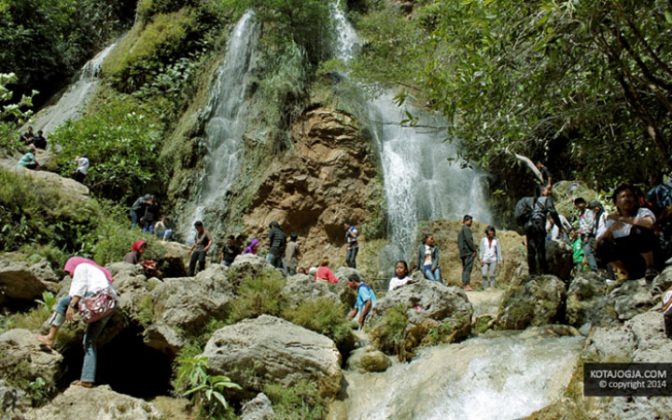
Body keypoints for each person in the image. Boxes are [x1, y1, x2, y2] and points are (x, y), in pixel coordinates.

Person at [36, 257, 115, 388]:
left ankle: (50, 338)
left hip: (96, 299)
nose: (70, 276)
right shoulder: (97, 272)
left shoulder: (81, 267)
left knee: (63, 302)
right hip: (109, 305)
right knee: (89, 342)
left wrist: (72, 305)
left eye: (69, 272)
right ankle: (87, 379)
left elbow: (80, 288)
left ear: (72, 266)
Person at [595, 184, 658, 281]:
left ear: (635, 199)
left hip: (646, 255)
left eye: (630, 196)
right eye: (623, 196)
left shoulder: (643, 212)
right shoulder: (611, 220)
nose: (627, 199)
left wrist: (621, 219)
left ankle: (650, 267)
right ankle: (626, 272)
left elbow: (649, 223)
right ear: (616, 202)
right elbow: (597, 242)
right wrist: (610, 230)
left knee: (638, 230)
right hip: (627, 259)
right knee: (602, 244)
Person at [523, 186, 564, 275]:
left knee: (531, 251)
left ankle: (532, 273)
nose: (548, 191)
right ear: (542, 192)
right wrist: (560, 226)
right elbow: (553, 212)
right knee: (540, 249)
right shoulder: (546, 199)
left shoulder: (530, 201)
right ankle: (543, 272)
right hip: (538, 225)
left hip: (529, 227)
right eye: (546, 190)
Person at [574, 197, 597, 271]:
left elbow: (591, 224)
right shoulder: (580, 214)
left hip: (589, 235)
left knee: (589, 252)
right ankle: (593, 269)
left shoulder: (588, 212)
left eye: (581, 203)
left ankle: (595, 269)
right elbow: (582, 226)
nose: (579, 205)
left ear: (584, 203)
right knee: (587, 253)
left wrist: (587, 235)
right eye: (577, 204)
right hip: (583, 236)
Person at [457, 215, 476, 290]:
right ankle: (466, 285)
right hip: (468, 252)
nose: (471, 223)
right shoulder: (466, 229)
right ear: (466, 220)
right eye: (471, 221)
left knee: (465, 268)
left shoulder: (461, 230)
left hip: (463, 253)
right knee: (468, 268)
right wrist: (474, 249)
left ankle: (464, 284)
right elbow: (469, 240)